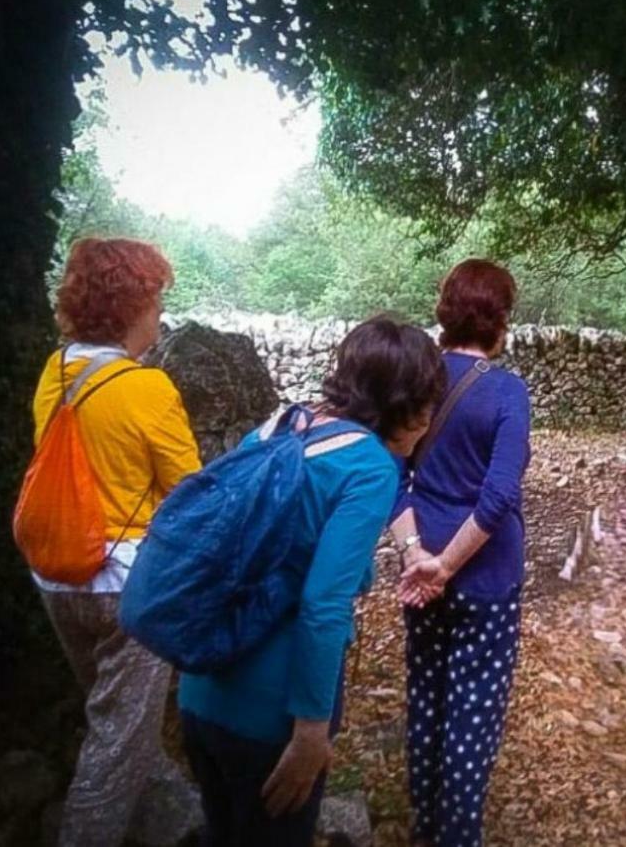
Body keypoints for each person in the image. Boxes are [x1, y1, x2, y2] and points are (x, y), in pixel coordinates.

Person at [177, 315, 445, 846]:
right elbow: (324, 605)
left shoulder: (282, 425)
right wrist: (310, 731)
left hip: (201, 691)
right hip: (269, 716)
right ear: (406, 403)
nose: (432, 417)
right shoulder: (370, 468)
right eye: (428, 402)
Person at [28, 236, 202, 846]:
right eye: (154, 299)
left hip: (55, 574)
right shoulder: (147, 389)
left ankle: (174, 822)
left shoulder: (56, 373)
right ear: (128, 306)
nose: (159, 313)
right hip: (127, 588)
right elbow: (189, 493)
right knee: (114, 745)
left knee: (120, 727)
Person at [395, 259, 532, 847]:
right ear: (500, 322)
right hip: (482, 580)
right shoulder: (507, 391)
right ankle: (456, 836)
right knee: (470, 718)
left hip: (419, 571)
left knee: (427, 698)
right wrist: (447, 566)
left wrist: (415, 557)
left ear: (445, 313)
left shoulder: (416, 382)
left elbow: (391, 472)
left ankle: (425, 825)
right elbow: (499, 494)